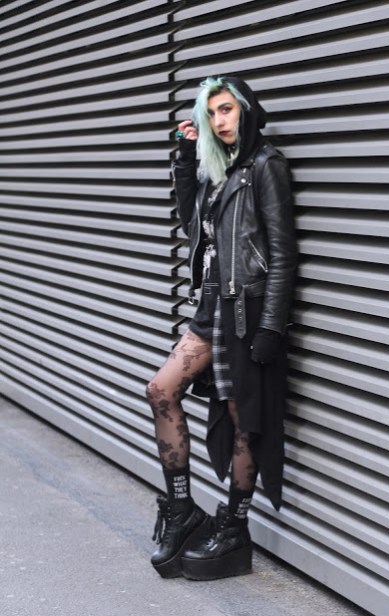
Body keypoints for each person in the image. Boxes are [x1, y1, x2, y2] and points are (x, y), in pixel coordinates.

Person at [146, 76, 297, 581]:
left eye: (226, 109)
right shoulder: (219, 169)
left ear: (246, 110)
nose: (219, 121)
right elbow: (195, 230)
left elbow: (283, 253)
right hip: (212, 307)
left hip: (247, 311)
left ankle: (233, 527)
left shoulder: (266, 166)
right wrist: (186, 161)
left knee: (242, 418)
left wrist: (271, 326)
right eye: (211, 113)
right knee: (161, 390)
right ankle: (182, 511)